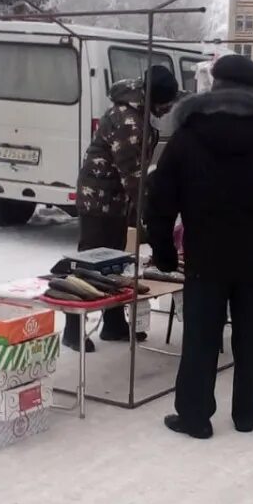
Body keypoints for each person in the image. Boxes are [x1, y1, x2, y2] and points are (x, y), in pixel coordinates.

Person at [146, 53, 253, 438]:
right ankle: (249, 412)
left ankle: (195, 416)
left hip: (205, 255)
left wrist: (164, 251)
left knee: (201, 337)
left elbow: (160, 201)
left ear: (214, 86)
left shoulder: (186, 138)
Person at [67, 66, 179, 349]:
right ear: (154, 99)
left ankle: (113, 322)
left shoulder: (139, 112)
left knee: (115, 261)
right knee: (89, 263)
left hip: (115, 199)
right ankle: (72, 327)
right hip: (99, 200)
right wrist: (153, 219)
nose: (167, 111)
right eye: (165, 105)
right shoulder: (129, 120)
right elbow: (134, 178)